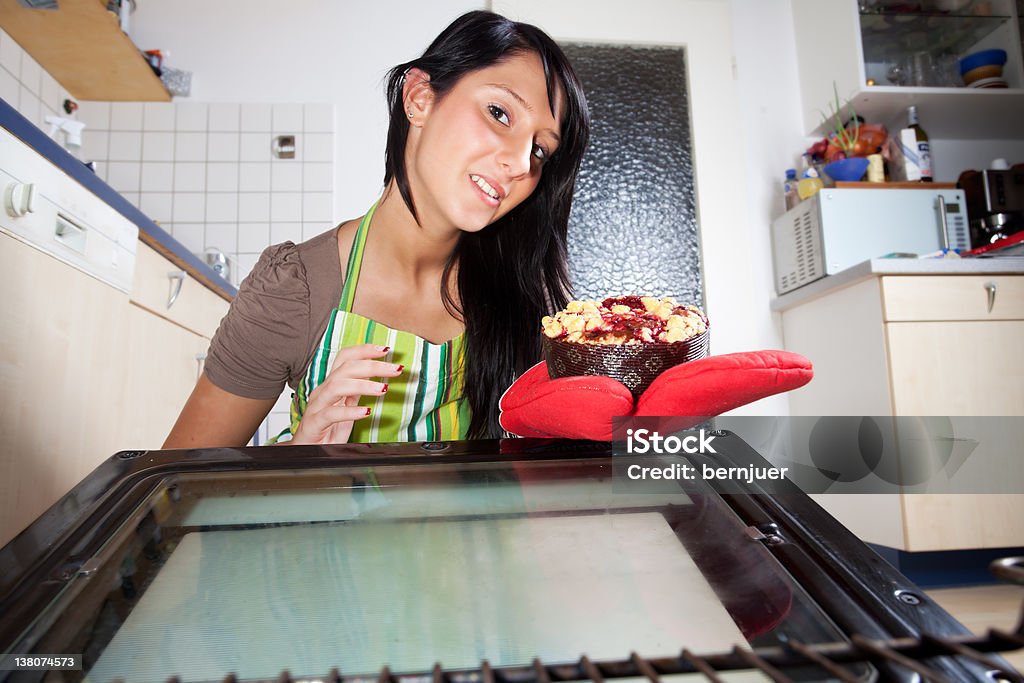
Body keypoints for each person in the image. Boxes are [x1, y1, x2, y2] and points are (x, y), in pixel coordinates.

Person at [163, 10, 590, 448]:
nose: (520, 164)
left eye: (540, 149)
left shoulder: (526, 300)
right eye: (500, 113)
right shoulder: (294, 289)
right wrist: (296, 459)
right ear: (420, 98)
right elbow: (178, 488)